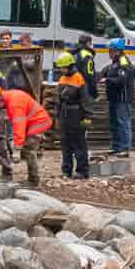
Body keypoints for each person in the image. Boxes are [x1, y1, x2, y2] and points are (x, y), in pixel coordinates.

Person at [98, 38, 135, 155]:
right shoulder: (114, 62)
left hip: (122, 99)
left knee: (123, 122)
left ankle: (124, 148)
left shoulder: (123, 62)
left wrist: (107, 80)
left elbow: (121, 80)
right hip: (113, 98)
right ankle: (116, 147)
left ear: (117, 51)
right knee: (114, 123)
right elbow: (110, 70)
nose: (109, 53)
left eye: (110, 51)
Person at [1, 85, 51, 186]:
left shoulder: (14, 105)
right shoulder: (10, 96)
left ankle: (33, 180)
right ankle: (32, 178)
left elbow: (18, 125)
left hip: (39, 122)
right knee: (28, 150)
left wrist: (17, 148)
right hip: (34, 121)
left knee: (28, 150)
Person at [54, 51, 92, 179]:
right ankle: (66, 170)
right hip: (64, 114)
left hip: (76, 115)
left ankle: (82, 170)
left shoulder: (78, 78)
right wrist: (57, 116)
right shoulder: (62, 78)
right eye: (61, 68)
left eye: (64, 67)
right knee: (65, 143)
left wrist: (87, 117)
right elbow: (58, 99)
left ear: (70, 66)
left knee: (79, 144)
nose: (62, 70)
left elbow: (85, 100)